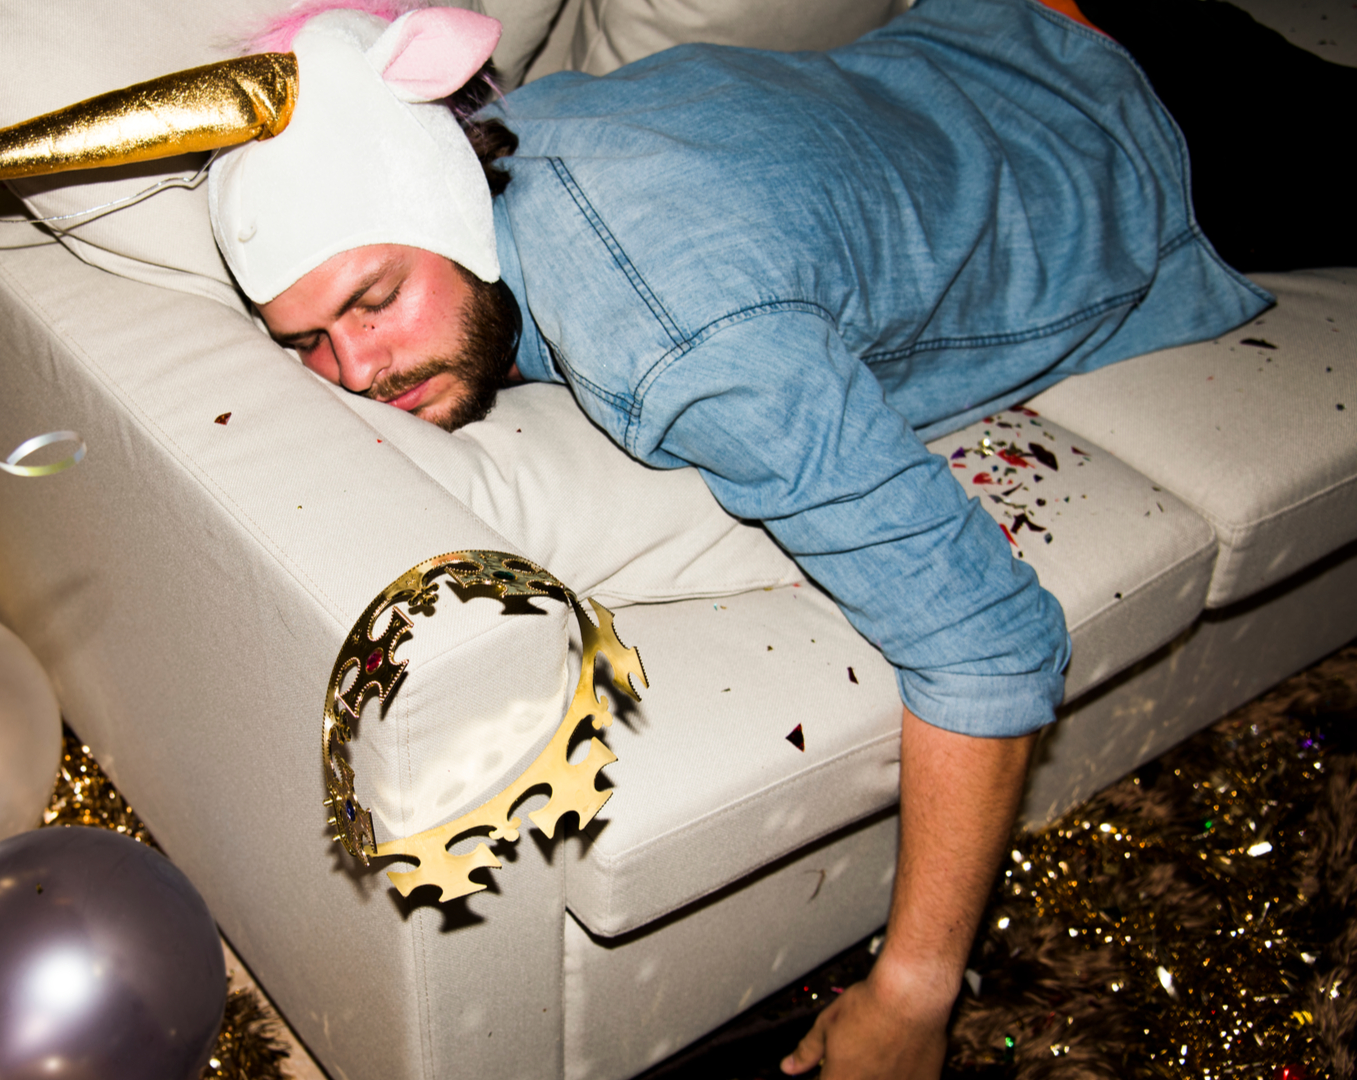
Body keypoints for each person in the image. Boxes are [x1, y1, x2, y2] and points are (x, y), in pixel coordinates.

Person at [202, 0, 1354, 1075]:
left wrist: (912, 995)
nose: (359, 370)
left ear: (444, 203)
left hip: (1157, 131)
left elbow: (987, 645)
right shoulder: (515, 131)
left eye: (374, 300)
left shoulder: (673, 336)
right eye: (306, 340)